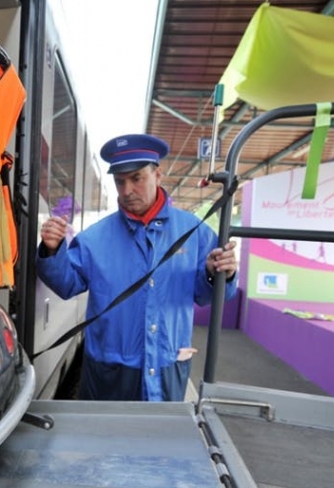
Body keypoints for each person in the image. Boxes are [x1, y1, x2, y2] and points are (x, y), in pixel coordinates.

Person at [36, 133, 239, 402]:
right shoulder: (93, 239)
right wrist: (51, 250)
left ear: (158, 175)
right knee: (105, 440)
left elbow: (205, 296)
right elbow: (66, 285)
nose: (127, 190)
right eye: (120, 182)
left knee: (160, 438)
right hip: (110, 371)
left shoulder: (195, 232)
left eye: (136, 178)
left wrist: (219, 274)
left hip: (168, 366)